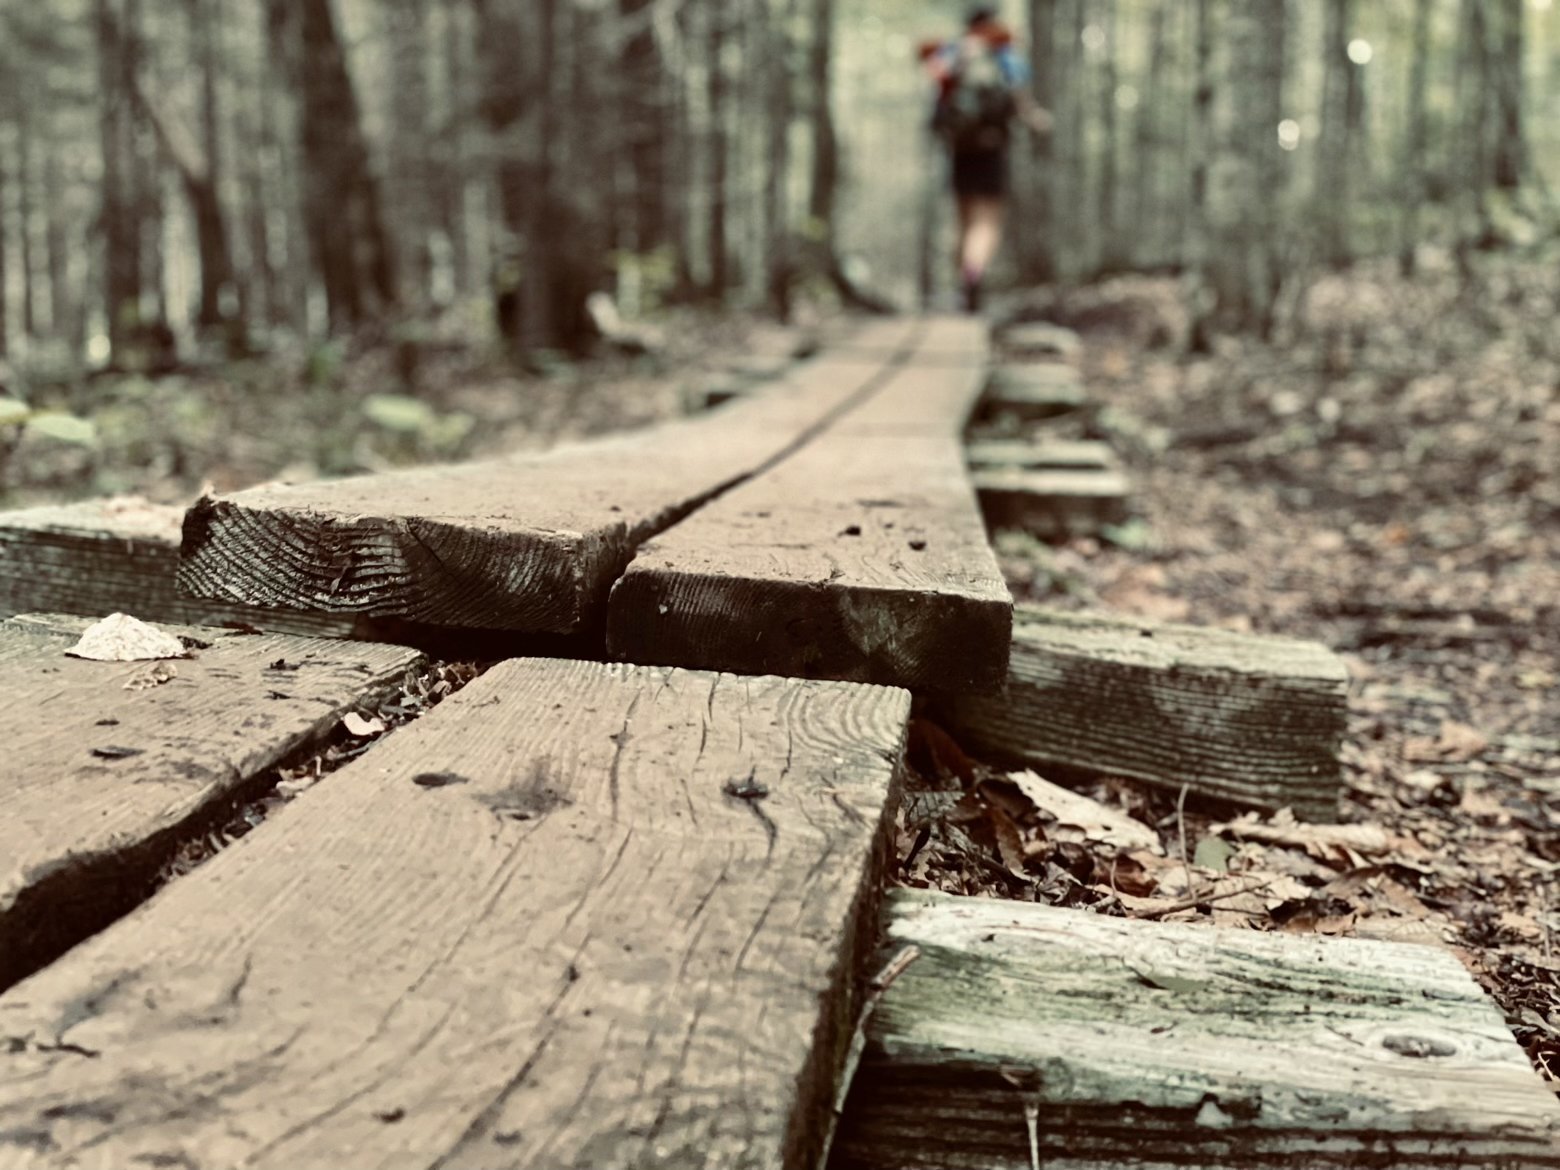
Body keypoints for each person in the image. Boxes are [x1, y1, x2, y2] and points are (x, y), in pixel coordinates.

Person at [921, 5, 1052, 312]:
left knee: (964, 218)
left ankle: (963, 279)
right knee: (988, 219)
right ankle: (973, 272)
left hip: (960, 147)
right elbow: (1022, 102)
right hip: (993, 145)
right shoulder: (1002, 54)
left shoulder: (953, 53)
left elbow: (937, 94)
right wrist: (1038, 120)